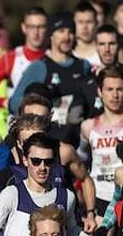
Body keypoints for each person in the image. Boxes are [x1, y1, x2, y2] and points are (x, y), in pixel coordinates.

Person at [8, 12, 97, 146]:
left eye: (70, 32)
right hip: (50, 138)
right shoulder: (40, 66)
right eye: (61, 31)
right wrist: (42, 99)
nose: (67, 37)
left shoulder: (83, 65)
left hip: (79, 139)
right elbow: (14, 103)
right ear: (51, 35)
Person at [0, 134, 90, 236]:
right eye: (36, 161)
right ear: (25, 160)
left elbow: (72, 231)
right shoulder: (11, 194)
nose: (42, 167)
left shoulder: (67, 197)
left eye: (48, 162)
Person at [80, 66, 123, 216]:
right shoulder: (88, 126)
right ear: (100, 91)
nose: (115, 95)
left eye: (119, 89)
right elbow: (81, 158)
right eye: (109, 89)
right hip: (100, 198)